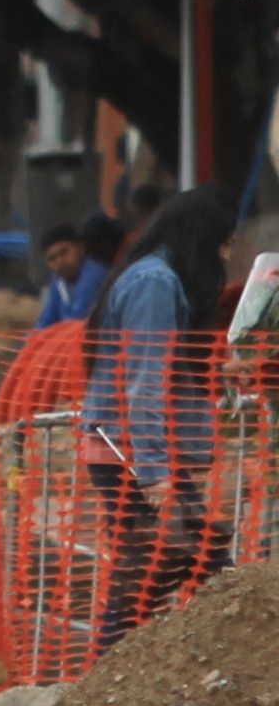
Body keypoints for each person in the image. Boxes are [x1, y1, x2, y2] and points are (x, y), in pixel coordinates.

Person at [82, 183, 240, 651]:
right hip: (132, 454)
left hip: (131, 451)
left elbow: (159, 373)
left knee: (158, 574)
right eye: (223, 242)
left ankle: (106, 675)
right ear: (201, 237)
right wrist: (154, 474)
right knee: (175, 573)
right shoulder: (155, 283)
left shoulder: (154, 277)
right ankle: (102, 677)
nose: (226, 255)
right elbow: (144, 381)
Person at [34, 220, 102, 328]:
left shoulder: (94, 274)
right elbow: (47, 319)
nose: (60, 262)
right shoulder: (58, 280)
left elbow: (78, 320)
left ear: (80, 249)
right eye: (52, 259)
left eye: (64, 252)